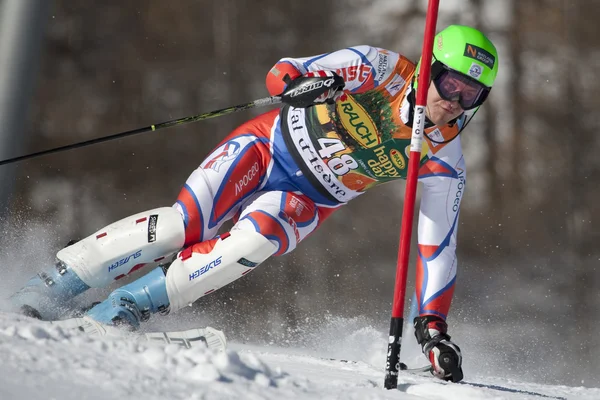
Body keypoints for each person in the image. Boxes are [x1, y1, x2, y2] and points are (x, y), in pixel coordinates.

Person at [9, 25, 498, 382]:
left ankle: (124, 311)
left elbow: (437, 247)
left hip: (306, 198)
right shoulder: (383, 69)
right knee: (186, 226)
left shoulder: (443, 157)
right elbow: (285, 72)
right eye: (450, 82)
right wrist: (302, 84)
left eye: (470, 93)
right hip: (267, 149)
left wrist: (432, 328)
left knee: (255, 240)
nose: (455, 99)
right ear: (430, 67)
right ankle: (53, 285)